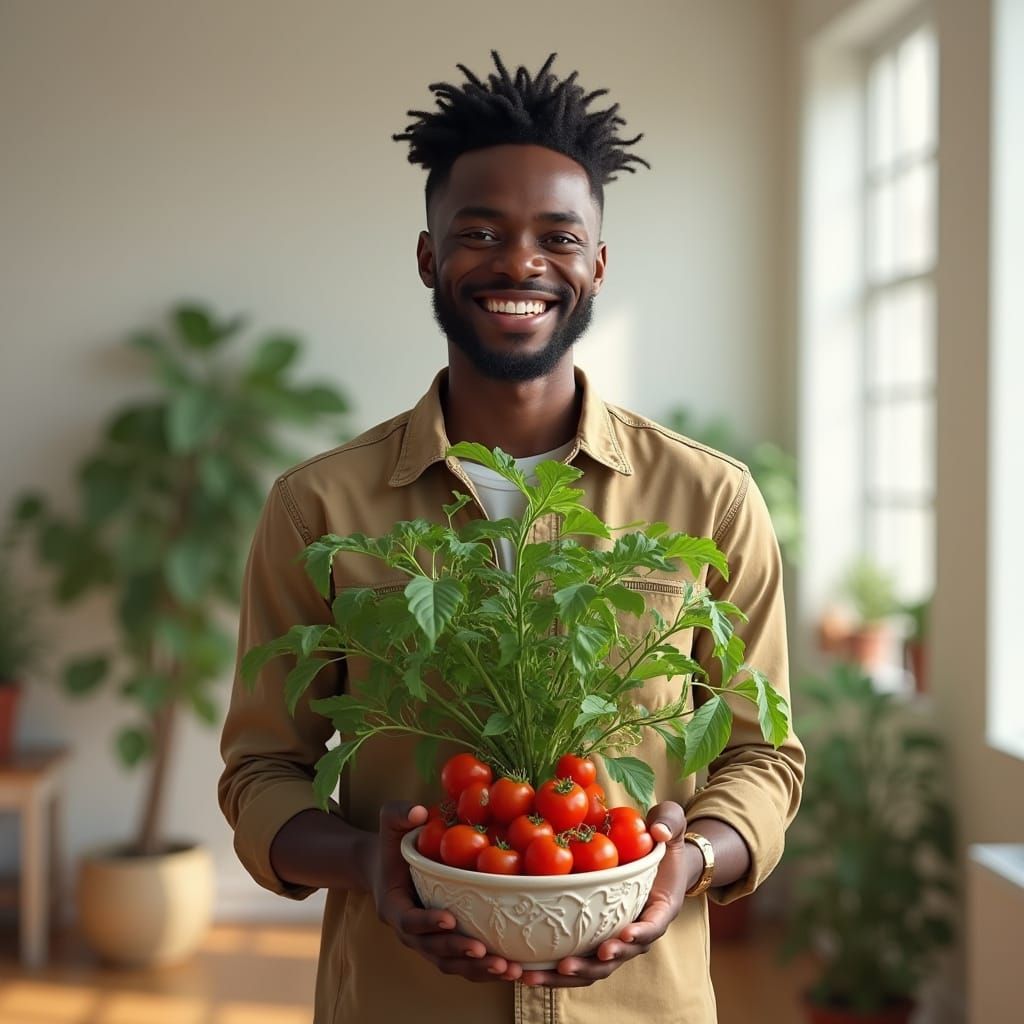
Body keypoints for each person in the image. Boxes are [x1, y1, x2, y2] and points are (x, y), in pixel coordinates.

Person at [219, 52, 804, 1024]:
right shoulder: (318, 506)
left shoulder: (708, 499)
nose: (520, 263)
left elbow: (765, 756)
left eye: (556, 236)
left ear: (597, 265)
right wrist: (370, 859)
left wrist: (686, 859)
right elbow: (260, 772)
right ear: (426, 256)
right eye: (479, 232)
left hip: (639, 1004)